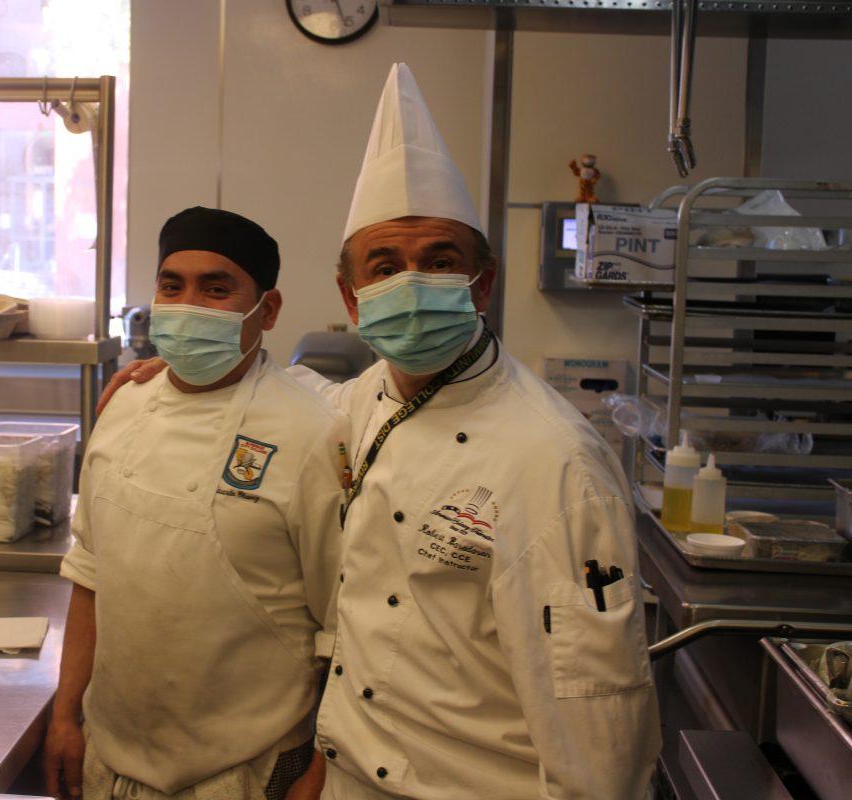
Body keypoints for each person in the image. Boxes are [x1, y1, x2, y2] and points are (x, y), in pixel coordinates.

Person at [100, 65, 661, 800]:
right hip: (350, 775)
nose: (411, 285)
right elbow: (286, 399)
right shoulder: (360, 403)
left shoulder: (553, 461)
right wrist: (172, 379)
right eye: (385, 266)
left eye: (439, 262)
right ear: (351, 296)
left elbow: (597, 713)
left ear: (481, 285)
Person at [45, 206, 347, 800]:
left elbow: (344, 629)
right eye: (172, 285)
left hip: (244, 772)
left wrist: (323, 770)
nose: (188, 305)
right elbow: (90, 574)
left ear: (269, 310)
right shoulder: (123, 405)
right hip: (110, 760)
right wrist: (64, 714)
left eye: (217, 288)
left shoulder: (314, 432)